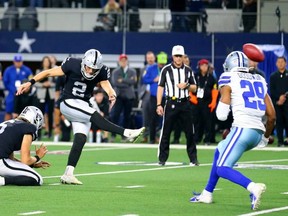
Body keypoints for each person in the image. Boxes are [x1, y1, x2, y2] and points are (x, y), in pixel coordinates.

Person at [16, 49, 145, 185]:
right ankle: (126, 132)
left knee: (81, 138)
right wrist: (30, 83)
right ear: (83, 62)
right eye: (88, 67)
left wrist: (111, 93)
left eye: (93, 69)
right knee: (94, 115)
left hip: (83, 105)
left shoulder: (101, 71)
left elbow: (105, 83)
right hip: (68, 102)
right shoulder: (72, 64)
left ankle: (68, 173)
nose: (89, 71)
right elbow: (48, 72)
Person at [190, 51, 276, 210]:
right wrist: (264, 138)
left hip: (242, 129)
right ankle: (207, 193)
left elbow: (222, 116)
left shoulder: (228, 77)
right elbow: (272, 116)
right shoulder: (259, 78)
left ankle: (252, 187)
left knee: (222, 168)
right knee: (220, 149)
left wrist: (224, 101)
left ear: (230, 66)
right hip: (257, 132)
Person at [156, 45, 198, 166]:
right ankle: (162, 159)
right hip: (171, 102)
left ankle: (193, 159)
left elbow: (195, 87)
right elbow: (160, 87)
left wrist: (187, 86)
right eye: (176, 56)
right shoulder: (166, 69)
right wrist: (159, 104)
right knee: (166, 131)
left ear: (184, 56)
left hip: (185, 103)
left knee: (190, 132)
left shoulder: (188, 70)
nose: (179, 59)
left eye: (180, 56)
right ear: (173, 56)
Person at [0, 106, 51, 186]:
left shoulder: (9, 123)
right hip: (1, 161)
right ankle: (2, 181)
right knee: (37, 179)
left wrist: (33, 163)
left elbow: (10, 159)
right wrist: (37, 157)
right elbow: (25, 160)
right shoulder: (29, 128)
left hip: (2, 160)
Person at [110, 54, 137, 141]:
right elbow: (115, 83)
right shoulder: (115, 71)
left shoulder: (132, 71)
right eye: (122, 60)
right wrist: (127, 82)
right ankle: (113, 134)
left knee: (127, 116)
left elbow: (133, 81)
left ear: (127, 61)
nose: (123, 62)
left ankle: (125, 135)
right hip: (119, 96)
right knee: (115, 115)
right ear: (119, 62)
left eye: (125, 60)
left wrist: (122, 80)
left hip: (129, 97)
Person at [142, 51, 168, 144]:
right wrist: (154, 80)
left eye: (163, 63)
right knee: (153, 117)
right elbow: (144, 79)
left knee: (165, 118)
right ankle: (152, 139)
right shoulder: (151, 68)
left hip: (165, 96)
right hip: (154, 96)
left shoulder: (167, 69)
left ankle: (164, 139)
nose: (161, 65)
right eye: (160, 63)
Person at [192, 59, 218, 145]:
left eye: (206, 65)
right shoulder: (195, 76)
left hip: (207, 102)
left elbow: (215, 89)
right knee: (196, 121)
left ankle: (207, 139)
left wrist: (214, 101)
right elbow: (189, 87)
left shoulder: (211, 77)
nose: (204, 67)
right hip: (196, 101)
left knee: (207, 121)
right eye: (202, 65)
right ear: (199, 66)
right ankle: (196, 138)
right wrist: (192, 97)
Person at [3, 54, 33, 121]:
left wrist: (24, 90)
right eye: (16, 61)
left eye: (19, 61)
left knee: (23, 112)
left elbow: (31, 81)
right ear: (14, 61)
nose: (18, 63)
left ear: (22, 61)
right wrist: (12, 90)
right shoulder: (8, 70)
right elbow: (5, 81)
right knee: (8, 111)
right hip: (12, 93)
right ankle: (4, 128)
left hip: (23, 94)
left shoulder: (27, 70)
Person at [35, 56, 55, 139]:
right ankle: (38, 133)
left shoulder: (53, 71)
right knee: (40, 113)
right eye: (45, 61)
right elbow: (35, 83)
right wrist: (43, 84)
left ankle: (50, 132)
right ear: (42, 62)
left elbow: (56, 83)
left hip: (50, 95)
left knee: (50, 114)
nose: (46, 63)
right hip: (41, 95)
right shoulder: (38, 71)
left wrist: (50, 84)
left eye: (48, 61)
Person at [269, 56, 288, 147]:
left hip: (287, 103)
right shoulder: (273, 76)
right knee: (279, 121)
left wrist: (284, 97)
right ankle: (280, 141)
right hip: (277, 103)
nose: (280, 64)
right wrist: (279, 98)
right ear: (276, 64)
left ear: (286, 63)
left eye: (282, 62)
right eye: (278, 62)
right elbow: (272, 90)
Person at [138, 51, 156, 143]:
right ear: (146, 59)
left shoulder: (158, 68)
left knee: (155, 116)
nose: (150, 59)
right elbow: (140, 83)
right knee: (145, 116)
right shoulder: (143, 69)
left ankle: (155, 135)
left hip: (155, 95)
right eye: (148, 58)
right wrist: (140, 95)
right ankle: (145, 136)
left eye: (151, 57)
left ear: (154, 58)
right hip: (145, 95)